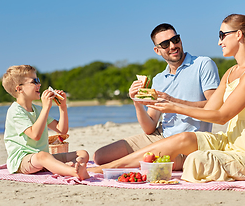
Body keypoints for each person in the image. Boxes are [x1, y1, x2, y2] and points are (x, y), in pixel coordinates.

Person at [87, 14, 245, 183]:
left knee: (194, 161)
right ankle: (100, 169)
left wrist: (174, 106)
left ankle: (101, 169)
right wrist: (140, 101)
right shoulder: (230, 72)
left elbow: (221, 116)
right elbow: (209, 110)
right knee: (184, 139)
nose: (219, 42)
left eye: (222, 35)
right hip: (229, 142)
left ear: (239, 35)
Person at [93, 23, 220, 170]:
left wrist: (173, 102)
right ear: (157, 50)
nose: (172, 46)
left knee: (141, 161)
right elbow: (149, 127)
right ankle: (111, 165)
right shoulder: (158, 79)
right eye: (165, 44)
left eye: (175, 39)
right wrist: (137, 102)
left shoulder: (203, 64)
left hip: (189, 144)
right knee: (100, 156)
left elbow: (214, 106)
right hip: (161, 136)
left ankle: (109, 168)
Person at [2, 65, 90, 180]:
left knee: (82, 153)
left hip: (43, 159)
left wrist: (62, 106)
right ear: (19, 89)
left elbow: (62, 130)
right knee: (43, 156)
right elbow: (35, 135)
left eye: (38, 80)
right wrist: (46, 107)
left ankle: (70, 167)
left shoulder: (37, 109)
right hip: (23, 161)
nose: (39, 84)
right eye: (34, 81)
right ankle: (74, 171)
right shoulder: (15, 111)